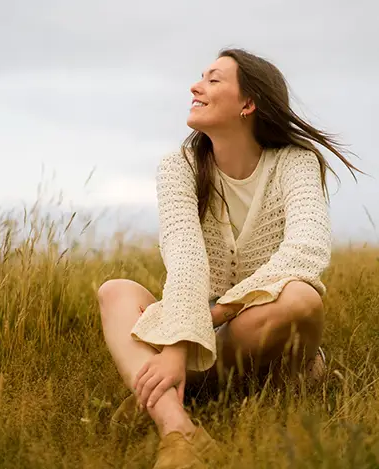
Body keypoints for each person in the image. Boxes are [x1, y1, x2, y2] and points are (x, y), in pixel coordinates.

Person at [97, 48, 360, 468]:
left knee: (301, 298)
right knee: (116, 292)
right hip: (201, 327)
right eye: (200, 77)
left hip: (256, 327)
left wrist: (213, 316)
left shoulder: (296, 163)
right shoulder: (179, 167)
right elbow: (185, 260)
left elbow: (305, 251)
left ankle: (169, 391)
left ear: (247, 104)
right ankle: (178, 429)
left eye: (213, 79)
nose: (195, 87)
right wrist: (179, 344)